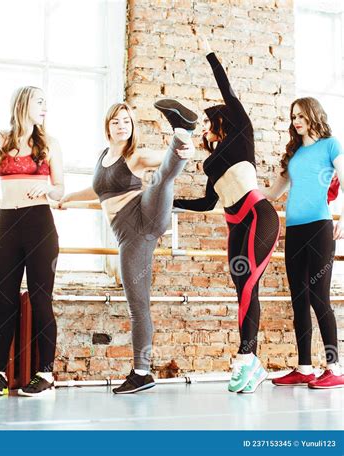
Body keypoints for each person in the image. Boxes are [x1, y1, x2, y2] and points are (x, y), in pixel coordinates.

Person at [59, 101, 196, 394]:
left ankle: (182, 133)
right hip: (129, 234)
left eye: (127, 121)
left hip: (144, 217)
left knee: (161, 180)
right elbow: (97, 190)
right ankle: (142, 373)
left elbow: (162, 159)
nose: (122, 126)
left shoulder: (136, 156)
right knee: (137, 303)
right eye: (116, 121)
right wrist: (68, 197)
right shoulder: (102, 158)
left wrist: (186, 151)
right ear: (107, 126)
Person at [173, 35, 279, 394]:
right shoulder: (210, 164)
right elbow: (207, 204)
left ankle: (245, 357)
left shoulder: (242, 136)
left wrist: (210, 55)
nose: (201, 127)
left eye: (205, 121)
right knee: (243, 291)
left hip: (259, 217)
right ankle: (256, 365)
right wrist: (171, 203)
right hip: (234, 226)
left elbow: (229, 92)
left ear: (220, 120)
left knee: (249, 282)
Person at [0, 86, 64, 397]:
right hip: (6, 226)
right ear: (23, 104)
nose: (45, 106)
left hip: (40, 226)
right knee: (5, 302)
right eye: (39, 100)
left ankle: (45, 375)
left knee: (40, 301)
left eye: (46, 101)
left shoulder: (49, 144)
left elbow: (60, 188)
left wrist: (47, 191)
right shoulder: (0, 139)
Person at [262, 97, 344, 389]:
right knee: (299, 299)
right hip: (294, 231)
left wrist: (342, 219)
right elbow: (272, 193)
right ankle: (305, 367)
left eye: (301, 115)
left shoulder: (331, 145)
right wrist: (240, 185)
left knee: (320, 297)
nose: (296, 121)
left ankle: (334, 367)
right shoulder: (294, 156)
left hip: (320, 228)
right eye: (293, 116)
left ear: (313, 115)